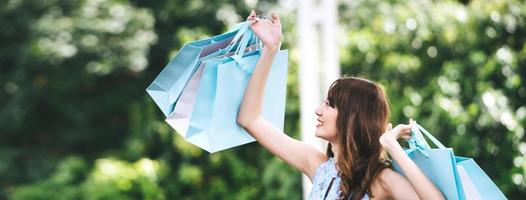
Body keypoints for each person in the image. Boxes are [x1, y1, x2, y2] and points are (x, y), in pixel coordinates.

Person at [236, 10, 445, 200]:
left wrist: (392, 146)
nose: (318, 110)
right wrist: (271, 50)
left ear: (352, 117)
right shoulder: (318, 166)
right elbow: (249, 120)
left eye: (328, 105)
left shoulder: (380, 180)